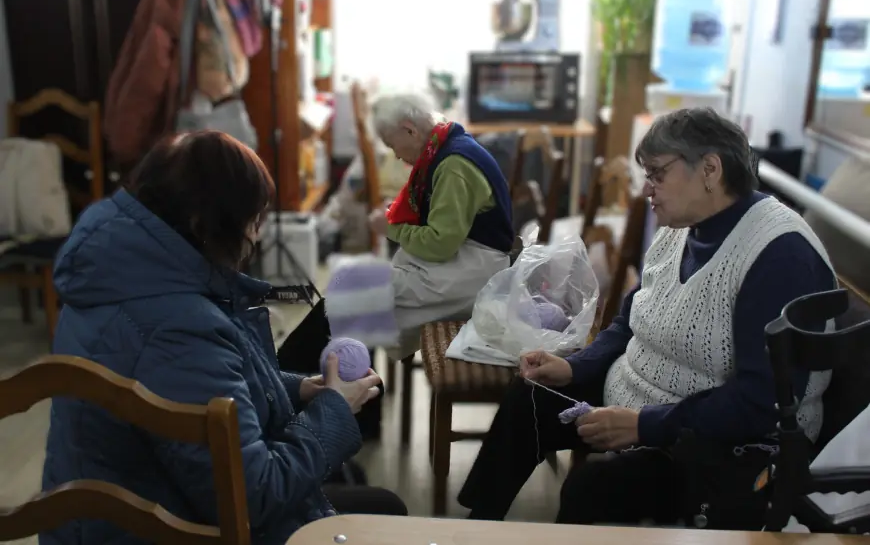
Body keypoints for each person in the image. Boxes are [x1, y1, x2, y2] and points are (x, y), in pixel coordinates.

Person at [457, 108, 836, 529]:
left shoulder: (779, 255)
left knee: (593, 488)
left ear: (710, 170)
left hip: (727, 442)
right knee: (529, 397)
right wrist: (576, 366)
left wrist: (645, 426)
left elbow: (761, 402)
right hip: (641, 402)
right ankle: (476, 527)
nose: (646, 189)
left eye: (657, 174)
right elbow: (629, 321)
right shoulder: (681, 227)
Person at [42, 132, 407, 545]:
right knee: (385, 510)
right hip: (166, 528)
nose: (255, 238)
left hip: (114, 515)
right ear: (206, 225)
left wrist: (299, 389)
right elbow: (255, 494)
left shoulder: (114, 273)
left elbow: (201, 387)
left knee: (369, 497)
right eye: (253, 222)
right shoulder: (177, 326)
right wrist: (335, 409)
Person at [367, 94, 514, 360]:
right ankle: (358, 369)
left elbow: (439, 243)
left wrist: (390, 229)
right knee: (369, 291)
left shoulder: (453, 165)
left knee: (367, 293)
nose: (396, 155)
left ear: (410, 130)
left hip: (479, 273)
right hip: (467, 259)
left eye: (392, 145)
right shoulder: (445, 144)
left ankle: (354, 376)